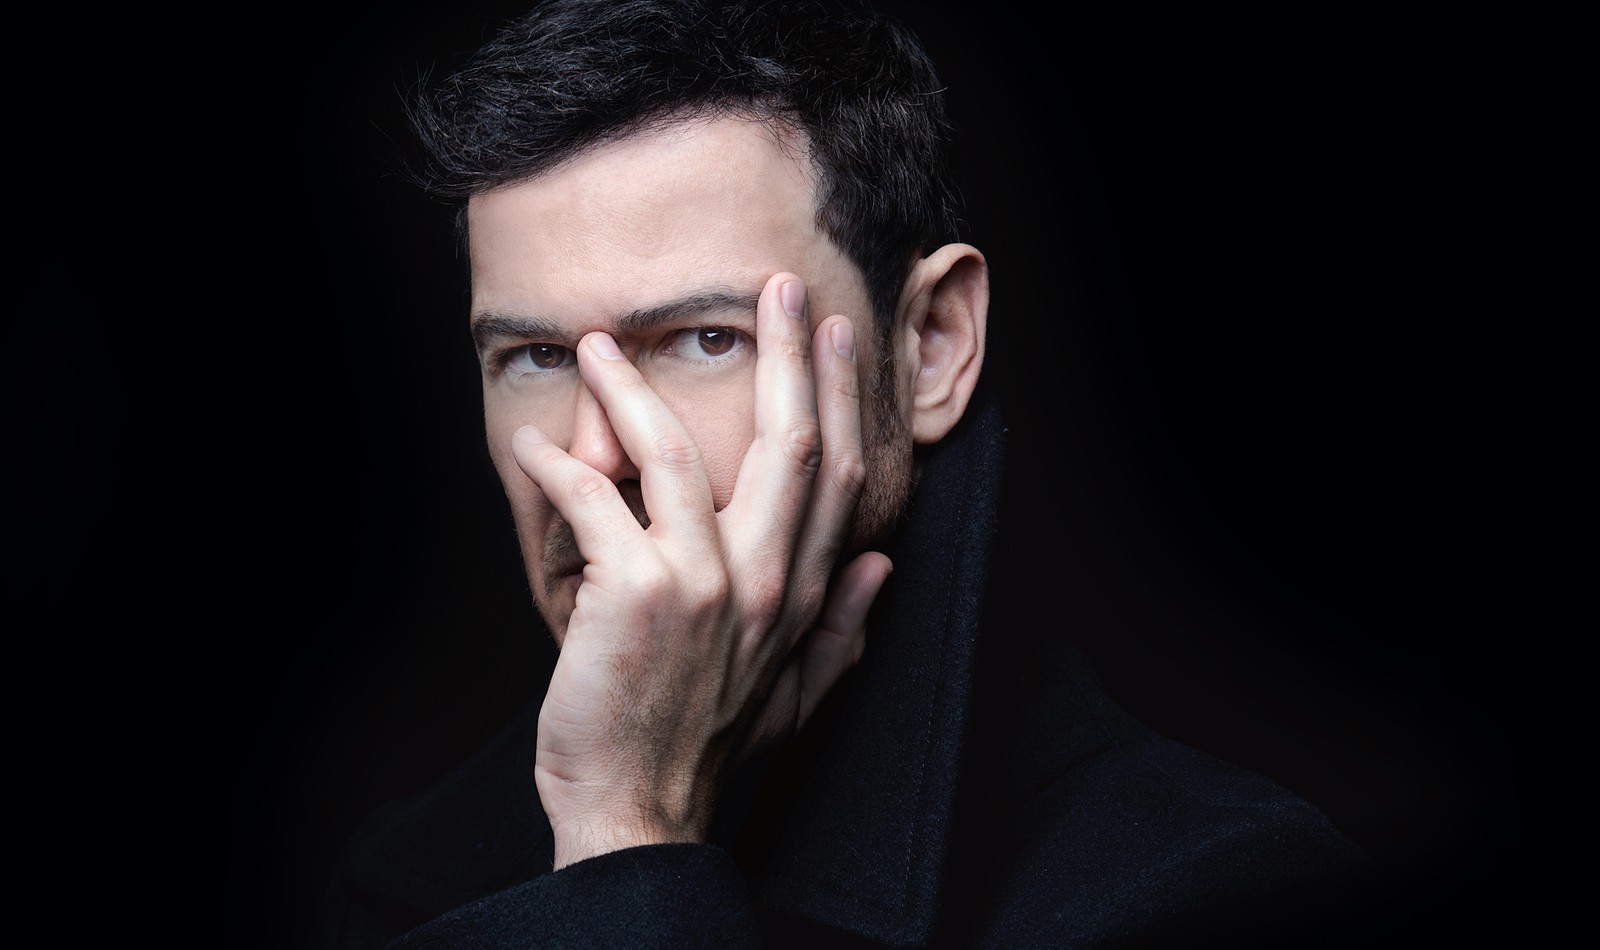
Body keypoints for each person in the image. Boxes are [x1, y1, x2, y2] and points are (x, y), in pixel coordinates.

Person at [317, 1, 1372, 945]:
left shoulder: (1202, 883)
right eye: (537, 357)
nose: (596, 455)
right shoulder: (403, 871)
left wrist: (623, 833)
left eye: (705, 339)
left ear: (932, 345)